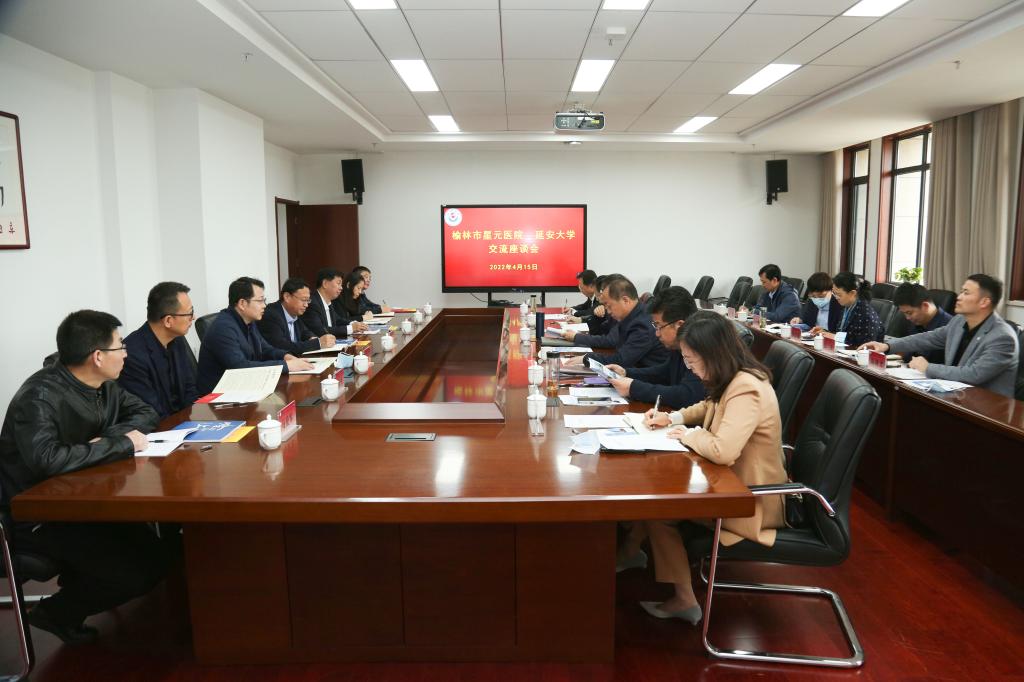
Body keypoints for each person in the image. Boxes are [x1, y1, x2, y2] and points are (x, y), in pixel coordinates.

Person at [0, 310, 170, 644]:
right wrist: (120, 444)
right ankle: (55, 613)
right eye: (120, 346)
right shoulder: (39, 397)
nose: (126, 353)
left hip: (83, 498)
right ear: (98, 356)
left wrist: (106, 441)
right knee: (134, 575)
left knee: (162, 554)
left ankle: (82, 585)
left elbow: (146, 413)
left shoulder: (103, 386)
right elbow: (47, 459)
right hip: (38, 515)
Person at [619, 311, 786, 624]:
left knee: (659, 511)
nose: (688, 367)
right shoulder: (733, 377)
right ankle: (630, 553)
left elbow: (722, 450)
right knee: (652, 494)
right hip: (728, 483)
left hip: (749, 499)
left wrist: (688, 434)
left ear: (713, 354)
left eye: (691, 359)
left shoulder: (746, 388)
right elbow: (707, 406)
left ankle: (683, 598)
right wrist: (673, 418)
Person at [862, 275, 1019, 397]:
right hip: (956, 397)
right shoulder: (959, 321)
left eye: (966, 293)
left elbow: (973, 374)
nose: (959, 297)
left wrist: (928, 367)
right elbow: (928, 338)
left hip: (988, 410)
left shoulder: (1003, 337)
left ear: (984, 302)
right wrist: (888, 346)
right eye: (961, 291)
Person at [197, 277, 313, 394]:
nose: (264, 305)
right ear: (242, 303)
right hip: (220, 396)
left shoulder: (248, 321)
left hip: (245, 387)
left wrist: (286, 356)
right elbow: (240, 367)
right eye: (260, 301)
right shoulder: (223, 328)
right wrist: (286, 366)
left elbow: (265, 349)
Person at [604, 286, 706, 409]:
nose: (657, 333)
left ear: (679, 325)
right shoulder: (678, 345)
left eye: (659, 326)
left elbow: (687, 395)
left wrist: (633, 388)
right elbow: (664, 373)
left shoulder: (703, 347)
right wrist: (625, 372)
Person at [118, 281, 200, 419]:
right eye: (189, 313)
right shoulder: (132, 355)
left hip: (185, 422)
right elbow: (151, 412)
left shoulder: (177, 339)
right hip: (160, 427)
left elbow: (189, 389)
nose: (194, 317)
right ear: (168, 321)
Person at [565, 276, 668, 369]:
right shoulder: (631, 315)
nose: (608, 311)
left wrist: (587, 358)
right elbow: (605, 330)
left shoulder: (642, 325)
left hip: (646, 378)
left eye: (609, 306)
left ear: (625, 300)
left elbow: (622, 360)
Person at [258, 278, 337, 355]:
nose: (306, 305)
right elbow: (282, 346)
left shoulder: (295, 312)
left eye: (308, 300)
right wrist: (317, 343)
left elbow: (304, 332)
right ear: (287, 297)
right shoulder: (271, 315)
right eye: (303, 300)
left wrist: (311, 338)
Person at [892, 283, 952, 364]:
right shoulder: (914, 322)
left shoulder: (950, 327)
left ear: (925, 306)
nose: (907, 318)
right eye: (904, 313)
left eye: (909, 313)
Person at [303, 268, 367, 338]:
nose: (341, 288)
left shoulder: (328, 301)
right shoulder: (312, 303)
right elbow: (321, 331)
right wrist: (351, 328)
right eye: (338, 283)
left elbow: (338, 320)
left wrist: (354, 323)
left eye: (341, 285)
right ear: (325, 284)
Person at [831, 271, 884, 348]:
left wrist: (834, 337)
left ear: (852, 293)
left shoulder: (866, 315)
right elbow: (843, 333)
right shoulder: (846, 306)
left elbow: (864, 346)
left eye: (839, 294)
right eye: (834, 293)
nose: (836, 297)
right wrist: (826, 333)